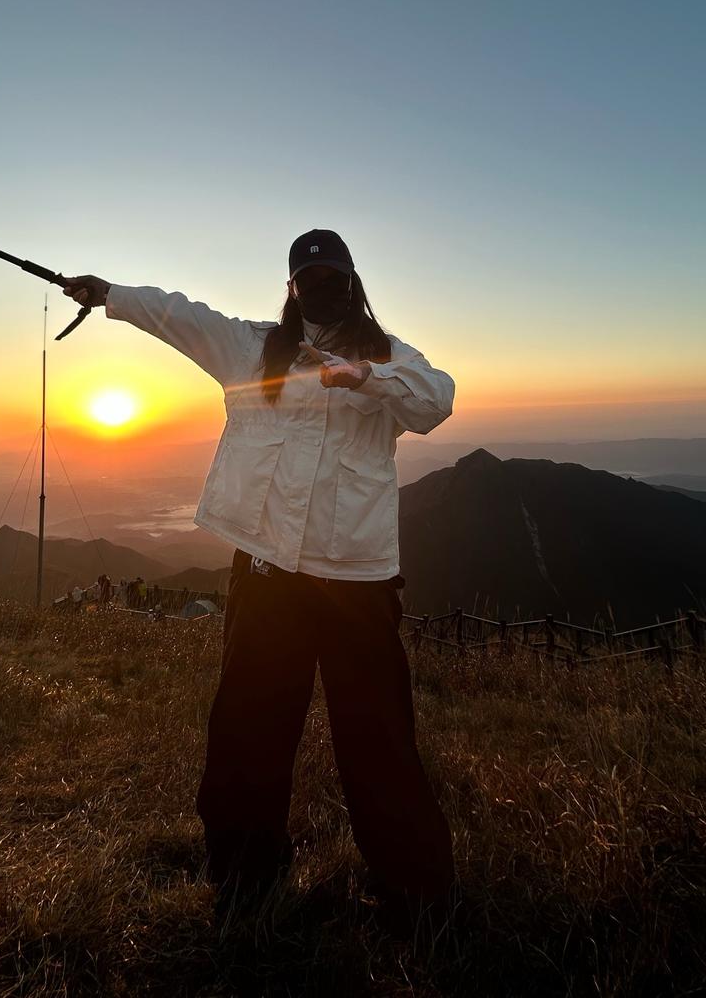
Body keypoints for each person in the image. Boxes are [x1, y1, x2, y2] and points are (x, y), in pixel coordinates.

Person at [64, 229, 455, 922]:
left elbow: (435, 401)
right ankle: (244, 876)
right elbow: (181, 314)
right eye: (310, 280)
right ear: (292, 288)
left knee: (378, 736)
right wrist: (111, 296)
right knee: (250, 724)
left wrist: (362, 376)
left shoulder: (389, 357)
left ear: (354, 281)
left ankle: (415, 887)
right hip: (269, 571)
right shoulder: (250, 350)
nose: (323, 290)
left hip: (356, 580)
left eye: (334, 278)